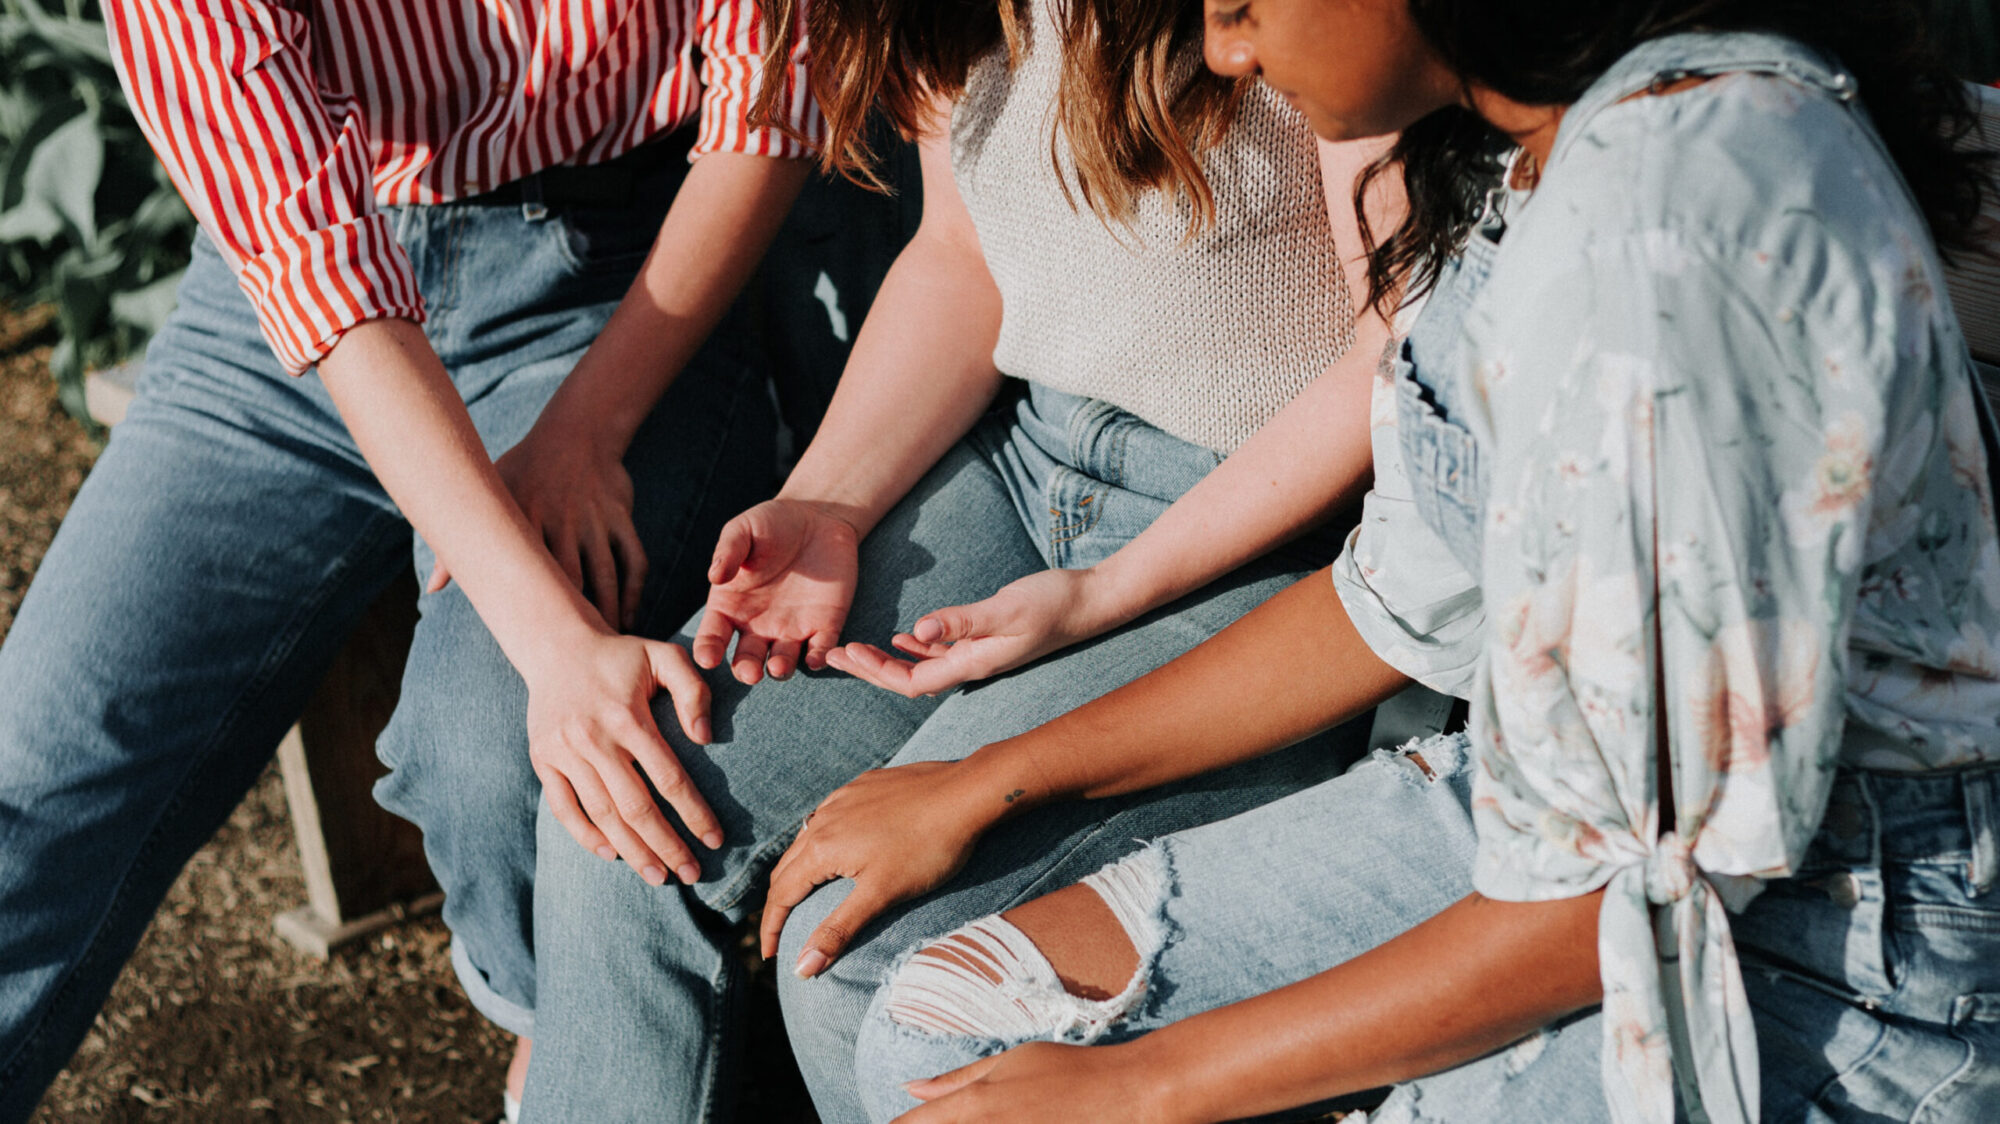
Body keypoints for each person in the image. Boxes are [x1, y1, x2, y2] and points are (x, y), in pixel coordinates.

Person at [769, 1, 2000, 1121]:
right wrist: (992, 776)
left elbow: (1624, 897)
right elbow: (1393, 601)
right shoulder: (1521, 152)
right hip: (1533, 805)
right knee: (937, 1026)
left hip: (1833, 957)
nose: (1224, 53)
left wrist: (1138, 1085)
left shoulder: (1668, 242)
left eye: (1245, 4)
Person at [473, 0, 1413, 1117]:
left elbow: (1393, 355)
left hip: (1259, 531)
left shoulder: (1284, 28)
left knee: (868, 948)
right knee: (626, 811)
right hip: (1025, 457)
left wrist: (1103, 591)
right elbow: (961, 253)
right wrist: (828, 497)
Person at [0, 1, 871, 1118]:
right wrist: (556, 641)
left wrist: (586, 429)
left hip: (613, 286)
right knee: (39, 767)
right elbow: (321, 272)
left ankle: (551, 1039)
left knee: (490, 743)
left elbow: (770, 91)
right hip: (286, 313)